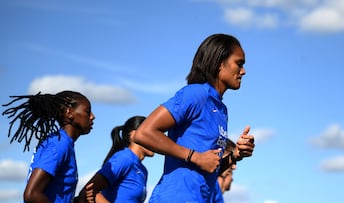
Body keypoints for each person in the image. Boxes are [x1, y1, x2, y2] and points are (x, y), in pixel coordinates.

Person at [133, 33, 255, 202]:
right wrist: (195, 156)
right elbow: (144, 133)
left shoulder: (221, 110)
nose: (244, 71)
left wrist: (235, 154)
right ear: (220, 63)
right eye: (239, 64)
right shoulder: (195, 94)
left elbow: (210, 165)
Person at [2, 90, 95, 203]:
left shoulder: (62, 142)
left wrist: (78, 201)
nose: (92, 116)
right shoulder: (60, 144)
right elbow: (31, 194)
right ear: (69, 113)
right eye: (88, 111)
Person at [76, 116, 154, 203]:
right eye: (151, 134)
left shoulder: (143, 170)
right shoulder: (124, 158)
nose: (156, 140)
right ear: (133, 134)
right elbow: (89, 190)